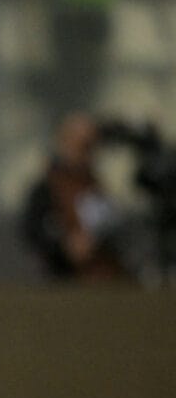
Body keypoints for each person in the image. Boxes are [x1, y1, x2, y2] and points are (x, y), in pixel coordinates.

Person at [21, 111, 129, 281]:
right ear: (65, 142)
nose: (87, 153)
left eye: (91, 146)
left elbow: (110, 224)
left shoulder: (95, 186)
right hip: (65, 277)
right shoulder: (47, 187)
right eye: (81, 145)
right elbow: (33, 230)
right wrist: (65, 247)